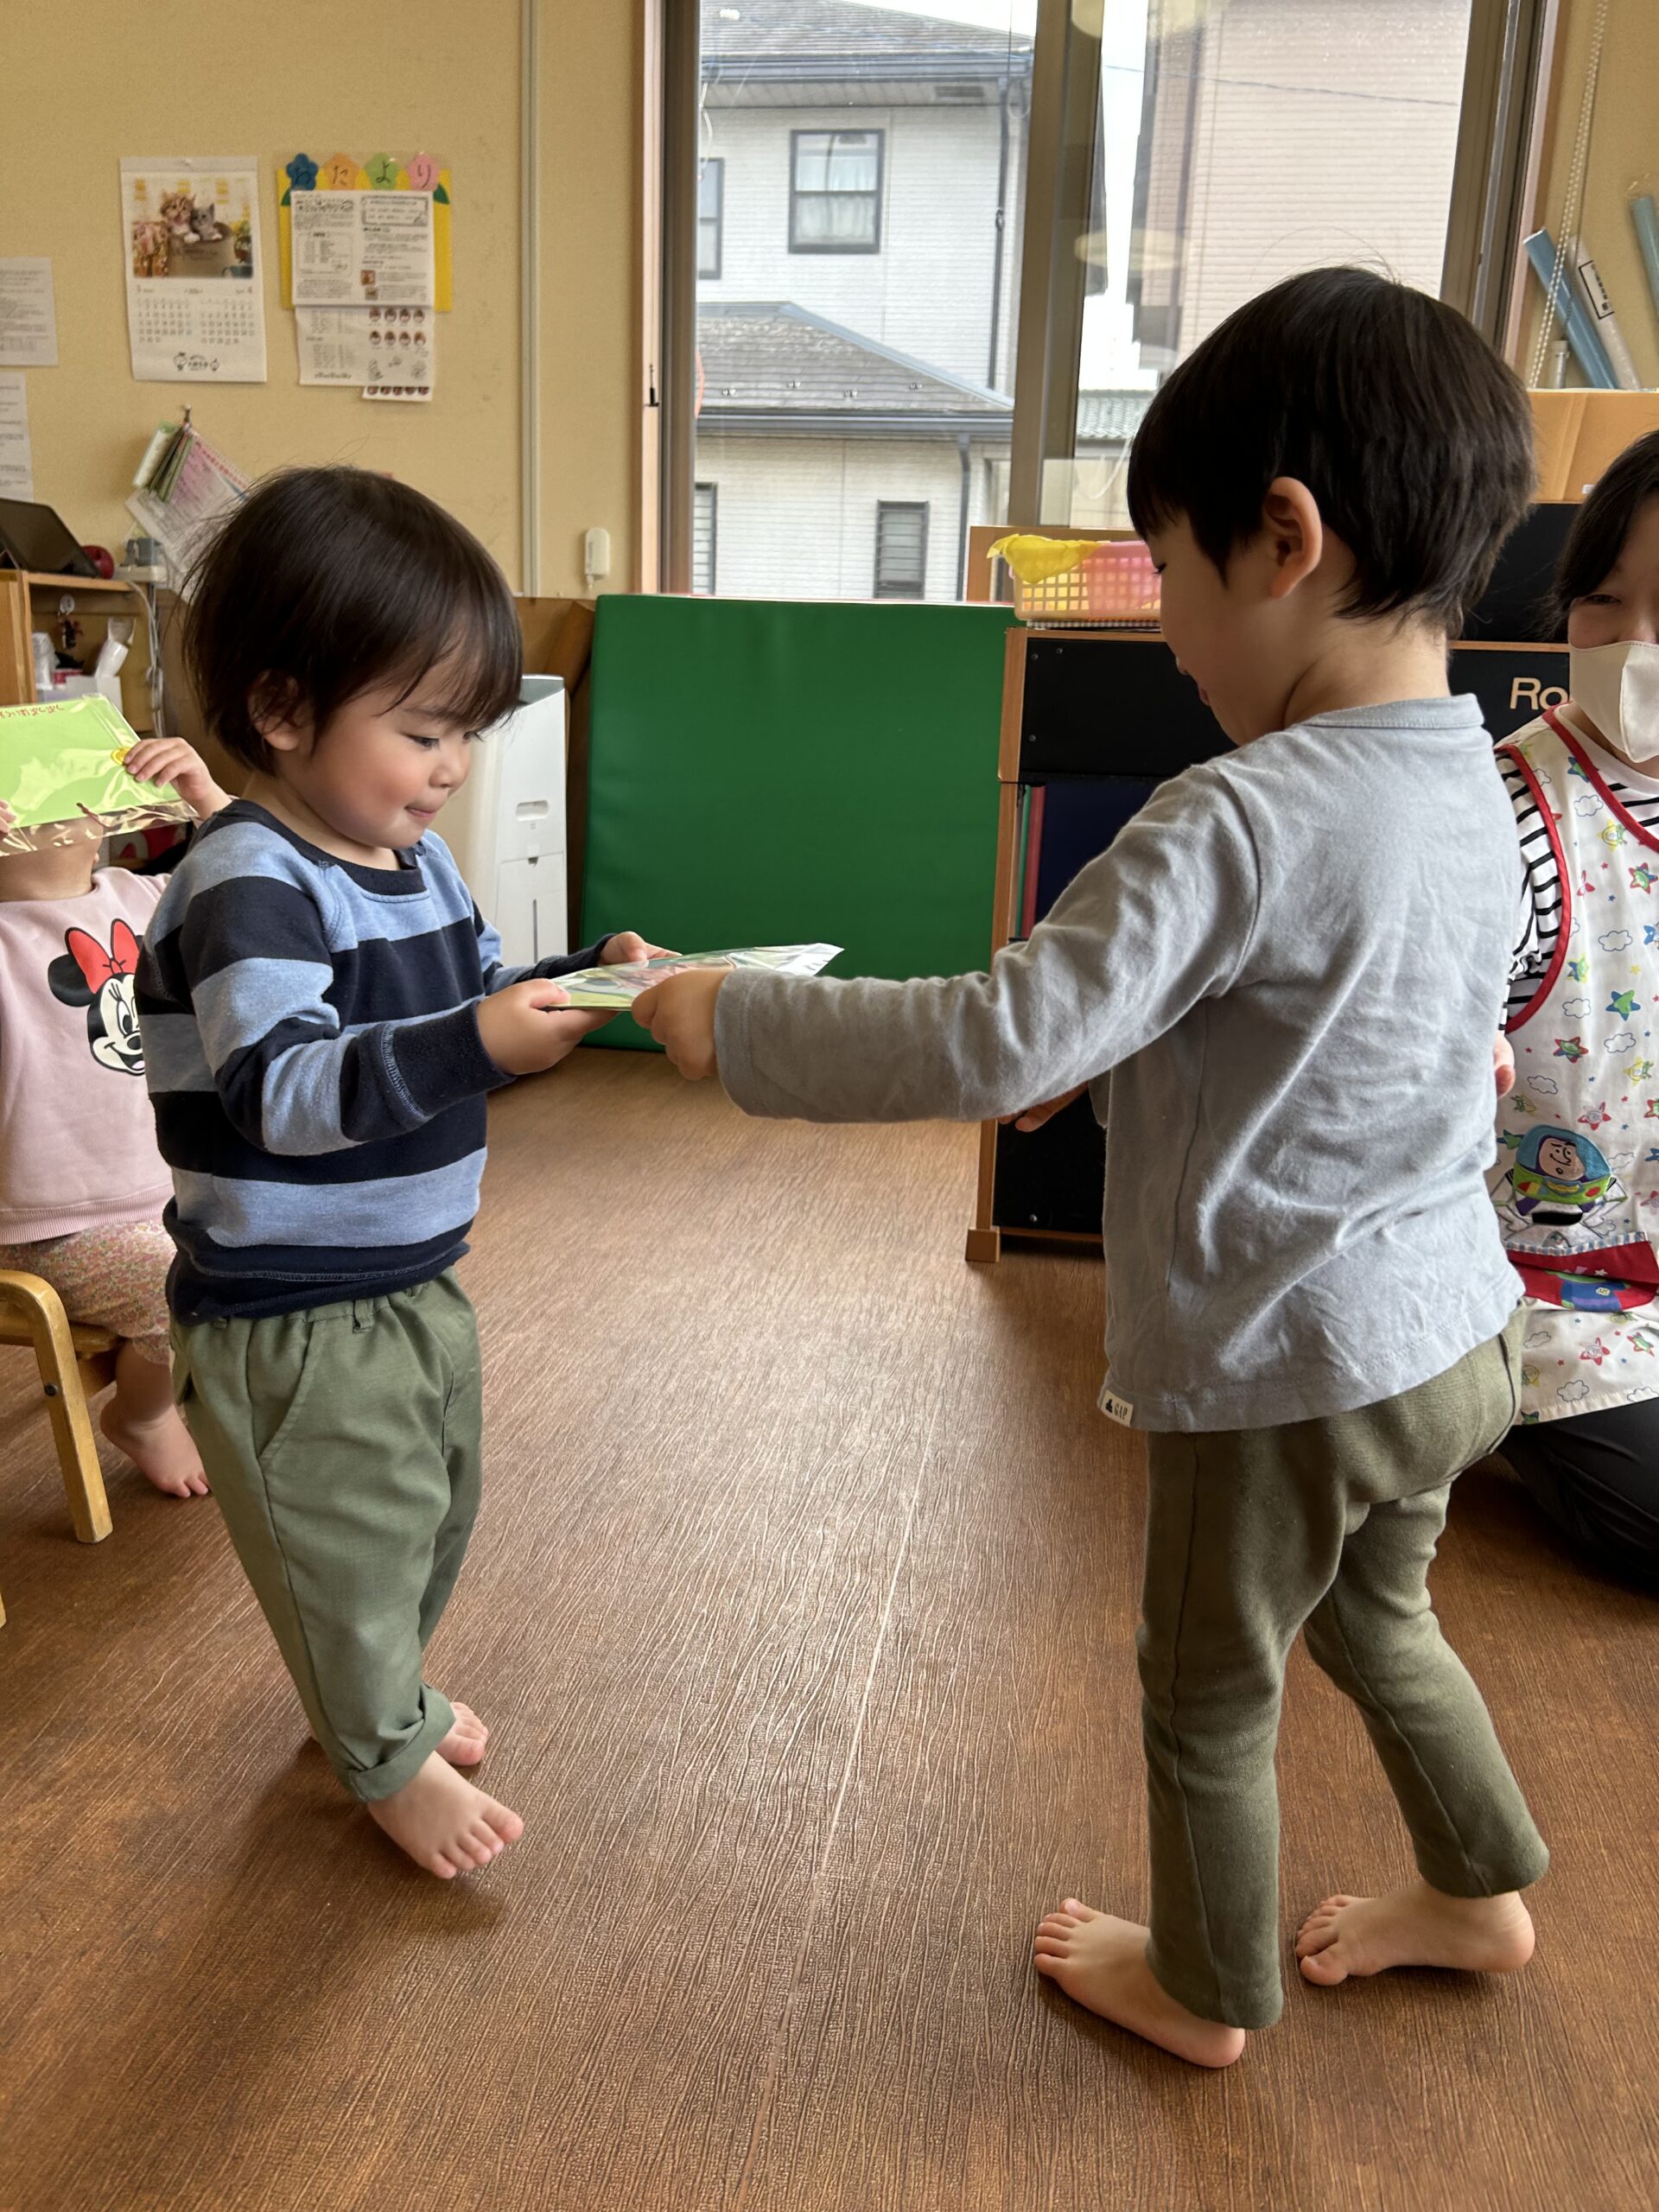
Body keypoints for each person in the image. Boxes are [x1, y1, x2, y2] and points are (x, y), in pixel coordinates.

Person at [635, 268, 1549, 2068]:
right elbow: (1348, 1032)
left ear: (1282, 538)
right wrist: (1122, 1055)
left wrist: (735, 1019)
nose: (1174, 638)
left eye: (1170, 578)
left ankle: (1203, 1989)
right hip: (1453, 1334)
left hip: (1284, 1368)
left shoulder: (1235, 813)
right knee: (1381, 1617)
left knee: (1206, 1686)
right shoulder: (1478, 779)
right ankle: (1480, 1888)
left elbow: (993, 1036)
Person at [135, 467, 665, 1879]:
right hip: (288, 1312)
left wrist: (582, 983)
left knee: (428, 1511)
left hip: (413, 1275)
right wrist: (481, 1040)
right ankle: (378, 1749)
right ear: (282, 710)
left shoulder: (414, 862)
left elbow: (468, 1008)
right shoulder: (250, 879)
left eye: (466, 735)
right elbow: (285, 1090)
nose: (451, 769)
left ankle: (378, 1698)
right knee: (348, 1545)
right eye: (422, 732)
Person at [1492, 430, 1659, 1589]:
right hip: (1556, 1282)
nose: (1634, 643)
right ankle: (1493, 1414)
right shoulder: (1508, 811)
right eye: (1602, 601)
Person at [0, 741, 232, 1498]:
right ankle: (143, 1414)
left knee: (259, 1246)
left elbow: (251, 879)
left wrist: (207, 799)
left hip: (160, 1193)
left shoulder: (139, 897)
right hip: (46, 1227)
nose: (60, 810)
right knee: (187, 1285)